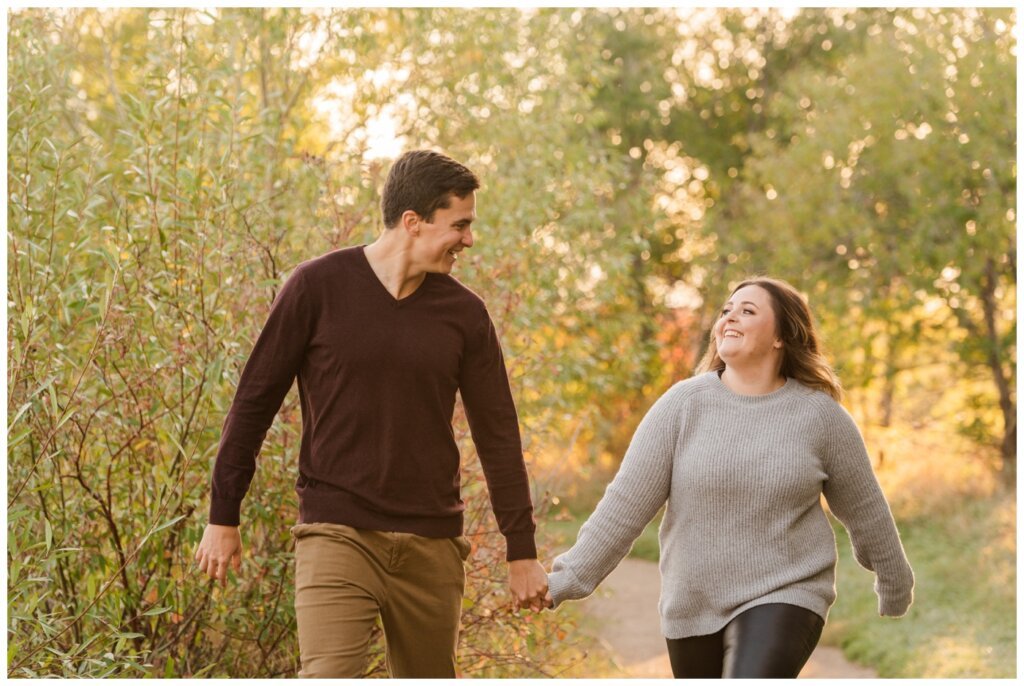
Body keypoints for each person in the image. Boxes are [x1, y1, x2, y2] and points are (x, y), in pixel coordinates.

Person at [194, 149, 549, 678]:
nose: (469, 239)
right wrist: (224, 514)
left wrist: (521, 549)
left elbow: (497, 434)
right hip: (337, 533)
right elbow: (253, 403)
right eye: (460, 224)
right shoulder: (317, 287)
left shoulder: (465, 315)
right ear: (413, 222)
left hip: (432, 544)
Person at [544, 277, 914, 679]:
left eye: (748, 311)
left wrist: (894, 579)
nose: (729, 317)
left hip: (787, 593)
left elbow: (865, 508)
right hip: (693, 605)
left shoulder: (820, 417)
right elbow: (624, 506)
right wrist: (568, 579)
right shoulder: (682, 406)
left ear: (780, 337)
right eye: (726, 310)